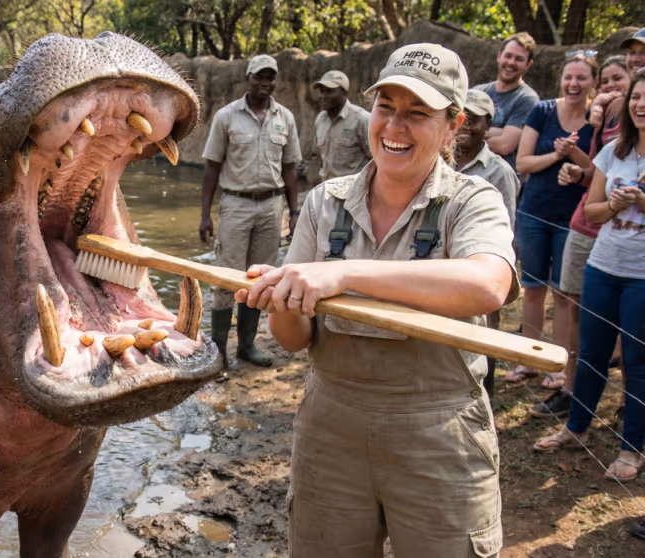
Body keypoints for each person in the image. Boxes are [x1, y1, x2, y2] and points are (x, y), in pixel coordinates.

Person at [238, 43, 516, 556]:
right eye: (386, 108)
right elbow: (294, 341)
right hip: (331, 427)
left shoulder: (472, 200)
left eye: (417, 114)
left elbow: (487, 285)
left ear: (453, 125)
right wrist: (282, 300)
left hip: (441, 434)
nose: (394, 128)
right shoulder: (326, 201)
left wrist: (342, 274)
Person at [532, 72, 645, 486]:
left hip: (641, 277)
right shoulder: (615, 151)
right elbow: (593, 210)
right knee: (590, 352)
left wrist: (641, 201)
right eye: (637, 97)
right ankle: (576, 428)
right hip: (603, 266)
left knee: (637, 363)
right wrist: (615, 204)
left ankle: (631, 448)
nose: (641, 105)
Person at [199, 54, 302, 367]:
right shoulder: (227, 117)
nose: (265, 83)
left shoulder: (285, 118)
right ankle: (218, 354)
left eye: (270, 77)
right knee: (227, 278)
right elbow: (212, 167)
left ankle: (246, 346)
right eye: (259, 77)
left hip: (272, 207)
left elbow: (290, 168)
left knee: (261, 279)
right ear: (248, 78)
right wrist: (205, 214)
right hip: (236, 205)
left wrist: (294, 212)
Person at [504, 53, 597, 384]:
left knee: (563, 294)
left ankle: (557, 368)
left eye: (581, 78)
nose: (573, 84)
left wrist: (574, 154)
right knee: (531, 288)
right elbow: (524, 163)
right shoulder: (542, 111)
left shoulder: (596, 120)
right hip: (533, 212)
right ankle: (528, 359)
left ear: (592, 83)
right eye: (568, 77)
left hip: (572, 220)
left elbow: (599, 171)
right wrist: (556, 155)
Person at [454, 88, 520, 398]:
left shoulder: (498, 171)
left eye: (475, 120)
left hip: (481, 264)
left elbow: (506, 228)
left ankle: (484, 394)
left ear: (488, 124)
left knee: (485, 330)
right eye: (460, 117)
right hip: (441, 261)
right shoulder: (437, 159)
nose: (466, 125)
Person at [474, 32, 540, 171]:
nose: (511, 63)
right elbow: (455, 131)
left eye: (519, 59)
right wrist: (498, 131)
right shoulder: (478, 92)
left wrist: (472, 134)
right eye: (508, 56)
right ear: (499, 56)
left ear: (528, 64)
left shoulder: (527, 99)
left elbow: (505, 145)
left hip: (500, 178)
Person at [313, 70, 371, 181]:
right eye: (321, 91)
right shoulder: (321, 119)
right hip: (326, 191)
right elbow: (320, 158)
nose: (323, 96)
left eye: (329, 92)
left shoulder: (361, 119)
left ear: (344, 93)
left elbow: (378, 160)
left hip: (353, 191)